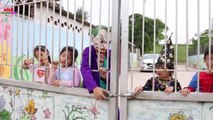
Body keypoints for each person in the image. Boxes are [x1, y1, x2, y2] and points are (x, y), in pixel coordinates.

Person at [81, 26, 111, 100]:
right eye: (101, 41)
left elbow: (114, 73)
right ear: (92, 38)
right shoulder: (88, 51)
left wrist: (105, 77)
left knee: (114, 111)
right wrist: (94, 87)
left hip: (107, 92)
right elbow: (84, 68)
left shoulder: (110, 53)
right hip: (93, 93)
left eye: (108, 42)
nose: (105, 45)